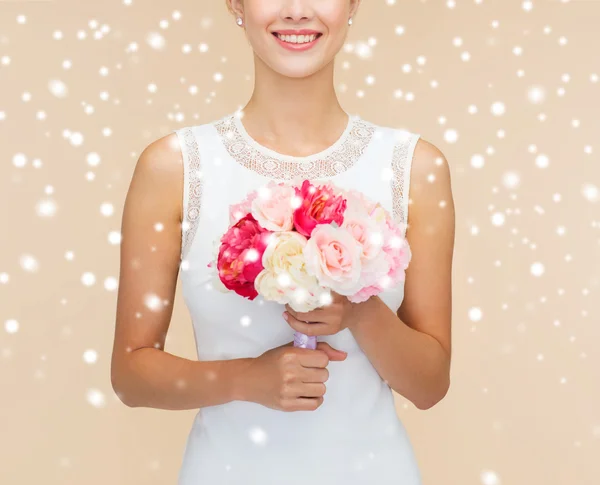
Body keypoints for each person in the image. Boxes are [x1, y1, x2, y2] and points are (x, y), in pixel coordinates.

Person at [110, 0, 455, 483]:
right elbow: (130, 374)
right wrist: (246, 378)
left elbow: (430, 385)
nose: (297, 11)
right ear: (236, 3)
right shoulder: (176, 168)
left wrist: (358, 309)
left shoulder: (414, 168)